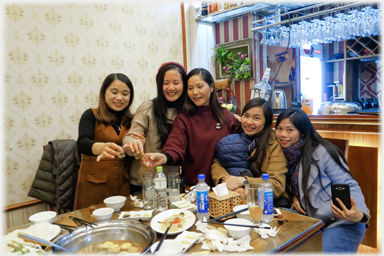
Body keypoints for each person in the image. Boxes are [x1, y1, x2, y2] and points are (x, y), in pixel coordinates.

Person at [274, 108, 370, 253]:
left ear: (303, 132)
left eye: (290, 130)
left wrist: (359, 214)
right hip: (311, 219)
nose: (283, 134)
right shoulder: (286, 152)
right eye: (279, 128)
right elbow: (292, 181)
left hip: (340, 221)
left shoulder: (322, 151)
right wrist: (295, 195)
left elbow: (349, 184)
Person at [141, 68, 239, 187]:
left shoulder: (226, 116)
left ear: (211, 87)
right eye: (190, 88)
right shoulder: (184, 118)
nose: (195, 92)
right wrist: (164, 157)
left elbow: (242, 144)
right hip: (196, 187)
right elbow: (176, 144)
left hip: (227, 186)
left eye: (199, 86)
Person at [74, 73, 142, 210]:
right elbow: (82, 142)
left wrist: (138, 146)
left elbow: (130, 155)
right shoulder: (91, 115)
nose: (119, 98)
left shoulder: (131, 120)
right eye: (114, 92)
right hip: (94, 187)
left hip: (123, 185)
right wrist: (99, 147)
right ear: (104, 93)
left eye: (125, 93)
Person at [122, 62, 187, 194]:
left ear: (184, 84)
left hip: (175, 182)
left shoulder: (187, 111)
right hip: (145, 183)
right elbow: (130, 136)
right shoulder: (148, 107)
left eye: (176, 82)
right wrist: (134, 144)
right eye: (165, 83)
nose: (171, 88)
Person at [211, 98, 290, 206]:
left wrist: (243, 183)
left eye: (256, 118)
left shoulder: (273, 144)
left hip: (269, 204)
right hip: (237, 201)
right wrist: (229, 182)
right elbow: (218, 162)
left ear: (266, 121)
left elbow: (276, 184)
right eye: (246, 116)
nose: (249, 122)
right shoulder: (234, 136)